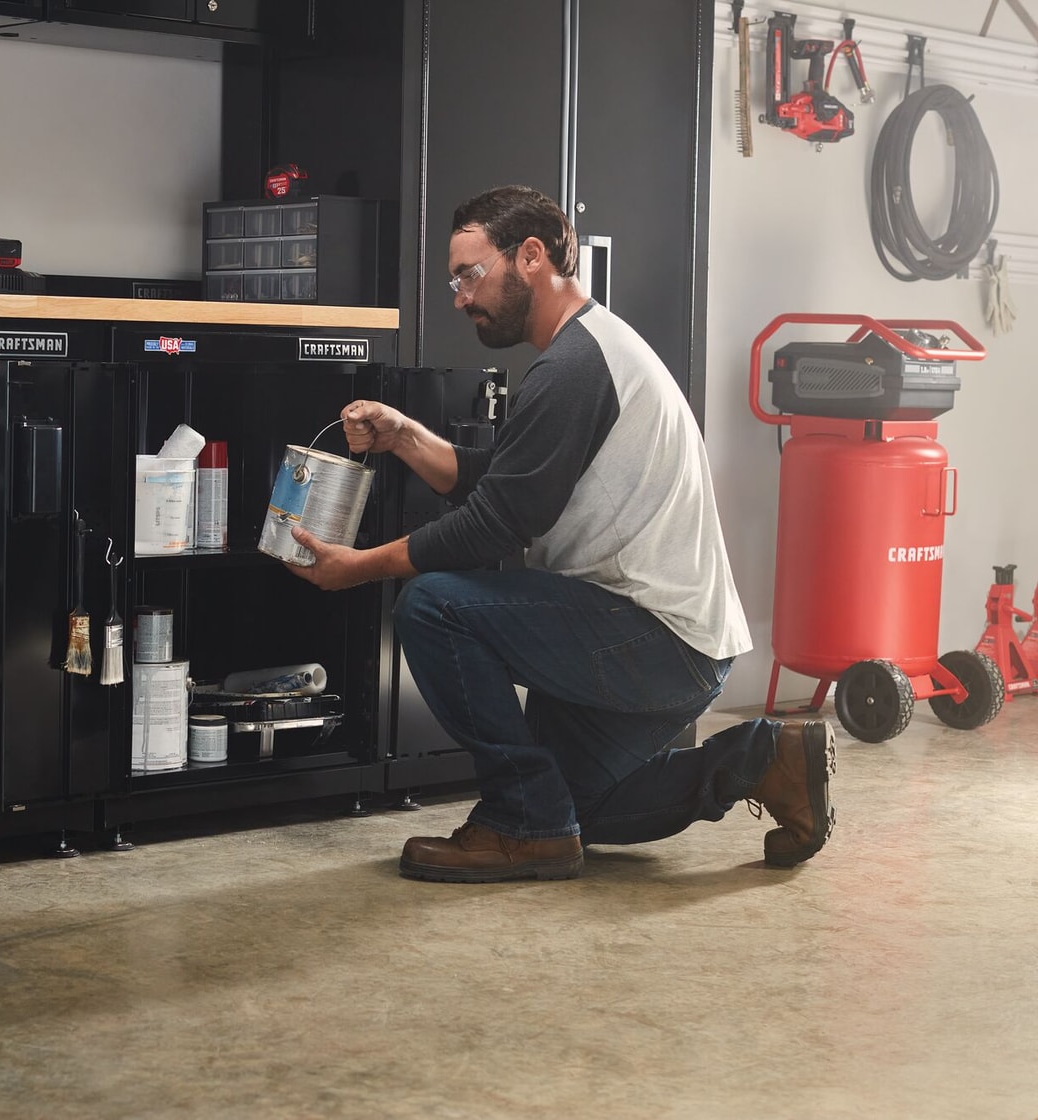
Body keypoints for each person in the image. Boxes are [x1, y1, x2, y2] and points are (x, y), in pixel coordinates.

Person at [284, 185, 833, 883]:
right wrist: (407, 438)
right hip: (675, 640)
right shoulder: (589, 350)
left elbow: (496, 523)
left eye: (469, 273)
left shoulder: (576, 368)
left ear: (532, 257)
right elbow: (509, 480)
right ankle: (765, 759)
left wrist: (356, 566)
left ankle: (519, 825)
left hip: (655, 638)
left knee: (433, 606)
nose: (460, 296)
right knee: (579, 809)